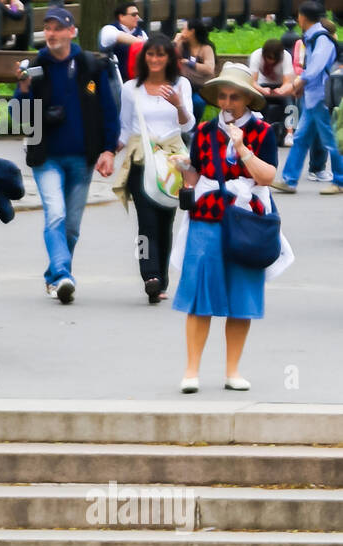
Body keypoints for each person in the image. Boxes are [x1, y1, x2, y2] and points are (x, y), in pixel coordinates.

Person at [172, 64, 281, 392]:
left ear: (248, 98)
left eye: (234, 96)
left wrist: (243, 148)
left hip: (247, 220)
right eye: (223, 96)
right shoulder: (204, 132)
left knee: (242, 296)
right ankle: (191, 371)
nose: (228, 102)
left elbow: (267, 177)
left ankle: (232, 371)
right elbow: (197, 171)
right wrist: (184, 174)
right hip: (205, 218)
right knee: (198, 296)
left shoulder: (263, 132)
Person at [14, 7, 120, 304]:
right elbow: (18, 114)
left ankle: (53, 278)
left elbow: (108, 110)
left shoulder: (90, 65)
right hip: (46, 155)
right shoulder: (35, 67)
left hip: (82, 157)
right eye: (47, 28)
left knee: (71, 227)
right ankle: (62, 274)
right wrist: (23, 89)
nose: (51, 33)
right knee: (55, 215)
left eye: (58, 28)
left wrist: (109, 149)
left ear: (71, 32)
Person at [113, 37, 195, 303]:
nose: (155, 60)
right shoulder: (130, 89)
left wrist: (178, 104)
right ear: (144, 57)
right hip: (141, 159)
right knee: (146, 222)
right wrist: (109, 151)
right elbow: (125, 127)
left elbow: (187, 125)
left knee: (165, 222)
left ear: (169, 58)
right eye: (151, 55)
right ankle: (149, 276)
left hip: (172, 161)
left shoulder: (181, 85)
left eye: (161, 55)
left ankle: (162, 279)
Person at [274, 2, 343, 192]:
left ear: (303, 17)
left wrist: (296, 84)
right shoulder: (314, 38)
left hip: (321, 99)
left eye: (299, 16)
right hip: (313, 98)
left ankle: (340, 181)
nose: (297, 19)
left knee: (330, 140)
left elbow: (314, 70)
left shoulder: (322, 40)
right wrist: (302, 86)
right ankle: (289, 181)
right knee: (301, 139)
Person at [176, 18, 217, 119]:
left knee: (197, 102)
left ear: (192, 31)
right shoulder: (182, 45)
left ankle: (193, 129)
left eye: (184, 29)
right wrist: (176, 41)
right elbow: (169, 56)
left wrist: (190, 63)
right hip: (183, 85)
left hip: (200, 88)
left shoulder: (206, 48)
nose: (181, 32)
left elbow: (209, 68)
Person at [99, 2, 148, 83]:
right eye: (134, 15)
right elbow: (119, 36)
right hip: (113, 80)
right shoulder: (108, 29)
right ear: (121, 17)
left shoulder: (141, 32)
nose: (138, 17)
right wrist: (141, 42)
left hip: (135, 80)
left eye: (137, 14)